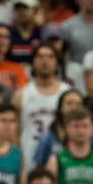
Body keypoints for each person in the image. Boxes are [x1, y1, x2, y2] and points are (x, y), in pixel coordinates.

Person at [14, 44, 72, 175]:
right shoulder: (21, 94)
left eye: (50, 57)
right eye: (40, 57)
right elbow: (15, 132)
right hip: (29, 158)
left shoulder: (68, 92)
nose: (45, 61)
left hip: (61, 157)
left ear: (57, 61)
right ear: (32, 62)